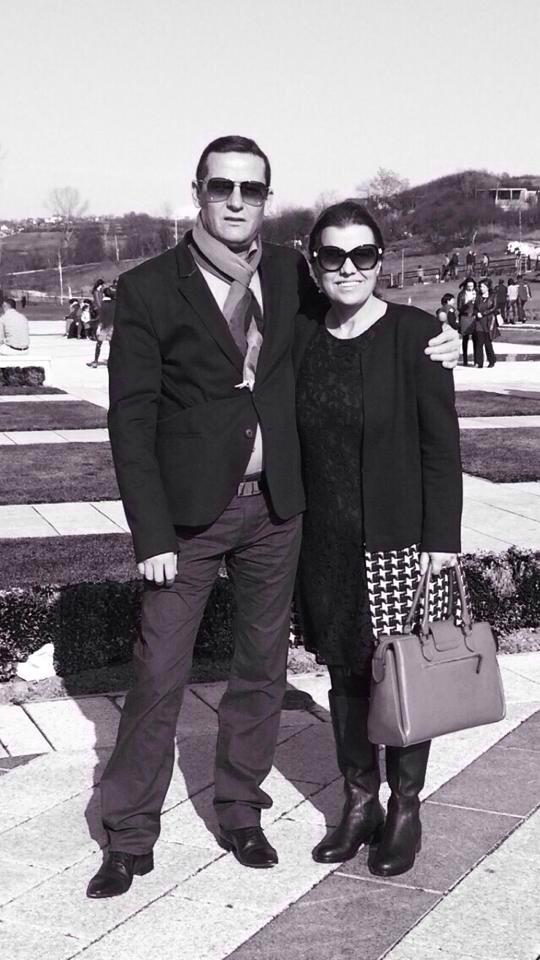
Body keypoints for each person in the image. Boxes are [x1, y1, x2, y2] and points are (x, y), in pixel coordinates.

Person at [86, 136, 460, 899]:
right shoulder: (148, 287)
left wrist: (436, 333)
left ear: (265, 198)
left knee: (261, 672)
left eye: (251, 189)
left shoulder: (289, 273)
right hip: (188, 520)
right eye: (221, 186)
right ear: (198, 190)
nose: (235, 200)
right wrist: (150, 533)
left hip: (277, 512)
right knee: (158, 674)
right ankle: (127, 835)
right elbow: (130, 420)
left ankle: (240, 812)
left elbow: (366, 311)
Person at [294, 200, 462, 877]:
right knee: (344, 673)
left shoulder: (416, 335)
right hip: (326, 544)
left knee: (402, 677)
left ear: (380, 261)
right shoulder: (303, 335)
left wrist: (441, 542)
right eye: (332, 255)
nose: (348, 268)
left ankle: (405, 809)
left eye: (362, 254)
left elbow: (440, 449)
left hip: (399, 543)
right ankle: (359, 802)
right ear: (314, 263)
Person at [87, 287, 115, 367]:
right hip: (112, 326)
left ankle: (95, 361)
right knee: (112, 345)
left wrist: (94, 322)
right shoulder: (115, 303)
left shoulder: (103, 304)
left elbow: (101, 317)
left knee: (99, 344)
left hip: (104, 326)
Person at [473, 279, 497, 368]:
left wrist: (483, 313)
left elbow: (494, 307)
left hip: (488, 321)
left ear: (488, 287)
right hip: (479, 321)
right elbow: (474, 308)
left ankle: (492, 360)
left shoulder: (493, 296)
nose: (481, 288)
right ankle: (479, 362)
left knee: (487, 342)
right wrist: (476, 313)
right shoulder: (478, 297)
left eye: (483, 286)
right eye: (480, 286)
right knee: (479, 342)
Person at [457, 278, 477, 365]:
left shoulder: (476, 292)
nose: (470, 288)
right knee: (465, 339)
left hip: (474, 317)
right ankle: (465, 360)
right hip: (465, 317)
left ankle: (476, 360)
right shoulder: (461, 294)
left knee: (476, 339)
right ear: (465, 286)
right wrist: (468, 303)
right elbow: (459, 308)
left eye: (472, 286)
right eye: (468, 286)